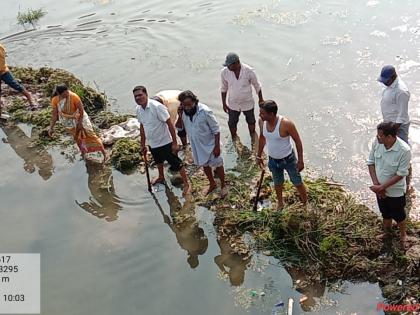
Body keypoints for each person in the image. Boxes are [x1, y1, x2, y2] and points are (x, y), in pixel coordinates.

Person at [133, 85, 190, 195]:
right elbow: (142, 127)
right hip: (153, 143)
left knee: (176, 163)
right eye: (136, 96)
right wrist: (143, 144)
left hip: (165, 141)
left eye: (140, 95)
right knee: (158, 161)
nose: (138, 98)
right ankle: (161, 176)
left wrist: (174, 143)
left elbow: (170, 125)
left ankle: (186, 183)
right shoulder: (138, 110)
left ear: (146, 94)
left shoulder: (157, 107)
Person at [256, 100, 307, 210]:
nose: (260, 115)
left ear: (272, 114)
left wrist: (301, 161)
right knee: (277, 182)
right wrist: (259, 155)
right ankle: (280, 203)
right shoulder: (261, 122)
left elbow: (297, 141)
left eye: (262, 113)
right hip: (273, 160)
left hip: (288, 159)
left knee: (296, 181)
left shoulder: (286, 124)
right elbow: (262, 138)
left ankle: (305, 202)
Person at [367, 121, 411, 249]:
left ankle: (403, 235)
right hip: (379, 189)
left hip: (395, 191)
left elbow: (401, 174)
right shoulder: (377, 143)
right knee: (385, 212)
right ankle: (387, 233)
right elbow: (371, 163)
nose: (377, 138)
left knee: (399, 214)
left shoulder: (404, 150)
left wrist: (382, 187)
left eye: (380, 135)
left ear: (390, 137)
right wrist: (377, 186)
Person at [176, 90, 227, 198]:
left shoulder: (204, 111)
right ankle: (212, 183)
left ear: (195, 101)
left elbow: (216, 129)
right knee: (204, 164)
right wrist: (180, 115)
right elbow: (179, 127)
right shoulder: (183, 112)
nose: (188, 108)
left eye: (189, 105)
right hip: (196, 145)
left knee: (218, 164)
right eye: (185, 105)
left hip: (210, 144)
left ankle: (223, 185)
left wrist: (217, 147)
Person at [49, 84, 107, 163]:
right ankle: (84, 152)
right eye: (64, 93)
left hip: (80, 118)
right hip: (68, 122)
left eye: (67, 92)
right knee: (78, 138)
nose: (67, 94)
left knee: (91, 135)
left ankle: (104, 153)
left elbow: (81, 110)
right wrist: (51, 128)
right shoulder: (55, 100)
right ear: (59, 94)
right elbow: (55, 115)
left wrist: (80, 123)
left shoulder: (73, 96)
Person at [221, 52, 264, 138]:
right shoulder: (224, 72)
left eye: (230, 65)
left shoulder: (249, 71)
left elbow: (257, 85)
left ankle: (253, 137)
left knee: (251, 121)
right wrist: (224, 104)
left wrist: (261, 99)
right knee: (232, 123)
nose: (228, 67)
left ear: (237, 63)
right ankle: (234, 138)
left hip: (247, 102)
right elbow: (224, 88)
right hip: (233, 103)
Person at [0, 42, 36, 116]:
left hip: (3, 71)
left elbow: (3, 59)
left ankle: (29, 97)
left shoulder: (0, 48)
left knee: (15, 85)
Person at [378, 65, 410, 144]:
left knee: (402, 146)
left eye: (386, 81)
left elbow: (402, 115)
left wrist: (392, 130)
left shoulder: (401, 92)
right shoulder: (390, 85)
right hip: (389, 121)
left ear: (393, 77)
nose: (384, 83)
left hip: (398, 126)